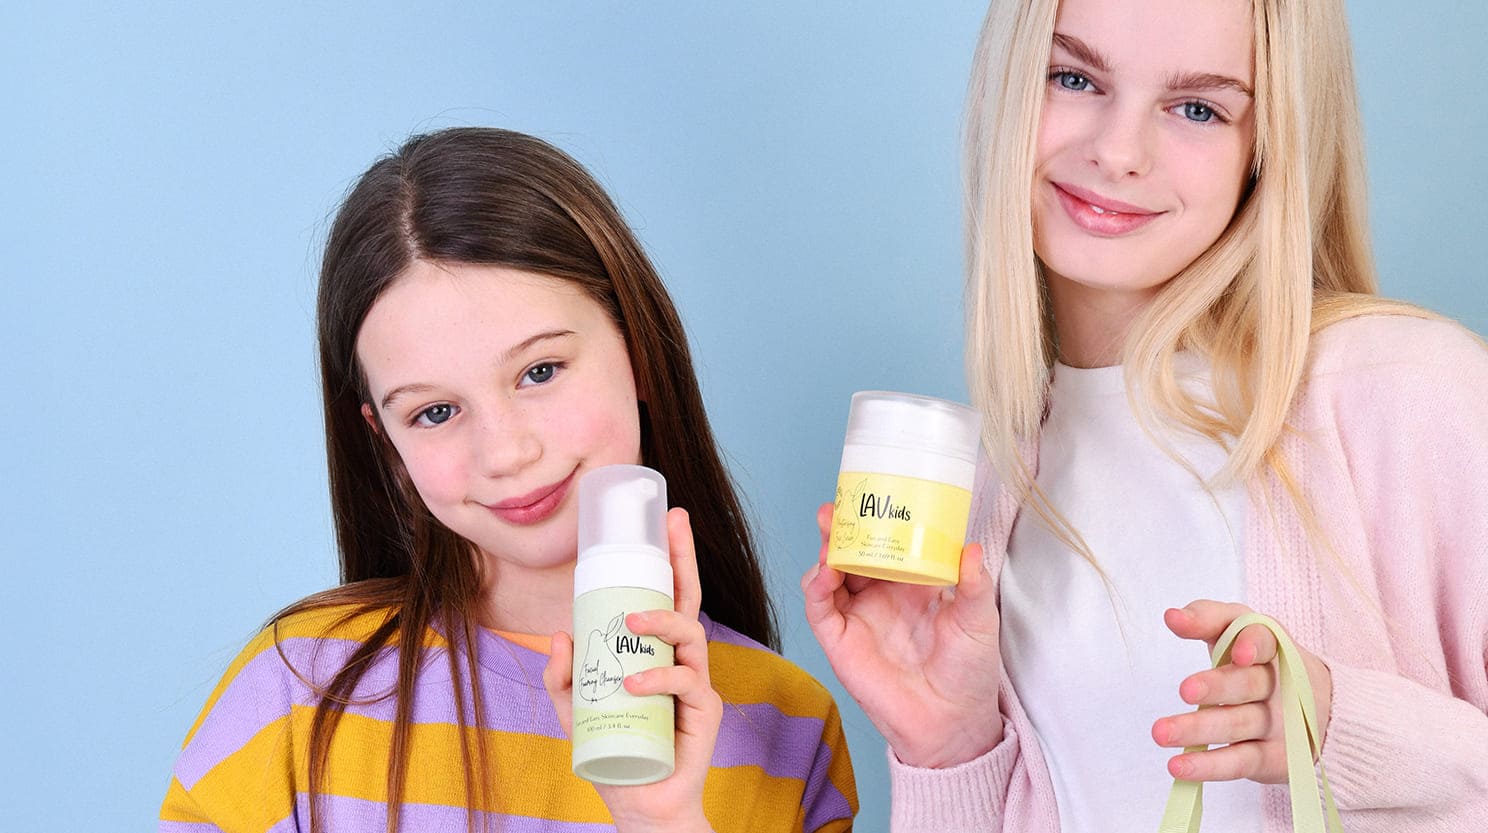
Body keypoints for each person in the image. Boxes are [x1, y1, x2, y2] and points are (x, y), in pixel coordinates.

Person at [801, 0, 1488, 830]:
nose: (1119, 152)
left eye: (1197, 108)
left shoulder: (1409, 392)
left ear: (1269, 147)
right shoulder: (985, 501)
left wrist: (1347, 727)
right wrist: (946, 748)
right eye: (1073, 78)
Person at [161, 127, 857, 833]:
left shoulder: (788, 728)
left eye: (540, 371)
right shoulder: (296, 693)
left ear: (640, 352)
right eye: (435, 412)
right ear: (386, 441)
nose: (506, 452)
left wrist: (663, 819)